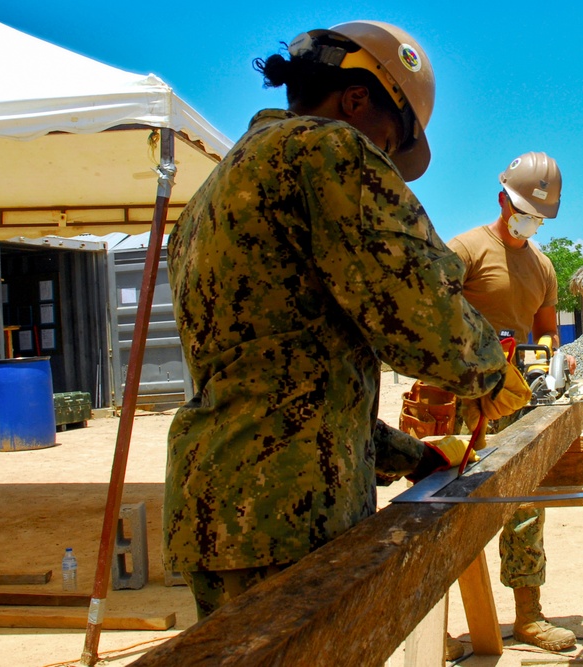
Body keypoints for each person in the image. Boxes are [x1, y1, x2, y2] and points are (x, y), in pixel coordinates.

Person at [163, 20, 530, 620]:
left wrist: (414, 457)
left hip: (217, 503)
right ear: (356, 99)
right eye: (388, 142)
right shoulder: (324, 150)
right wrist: (490, 373)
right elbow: (415, 300)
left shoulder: (213, 197)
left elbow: (286, 381)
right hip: (289, 508)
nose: (383, 157)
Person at [447, 151, 577, 651]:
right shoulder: (465, 251)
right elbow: (430, 317)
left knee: (525, 501)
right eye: (524, 210)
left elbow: (546, 335)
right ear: (504, 199)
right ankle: (437, 629)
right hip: (462, 399)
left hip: (518, 397)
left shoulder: (542, 266)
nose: (530, 221)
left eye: (539, 215)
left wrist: (555, 362)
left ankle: (528, 615)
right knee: (445, 509)